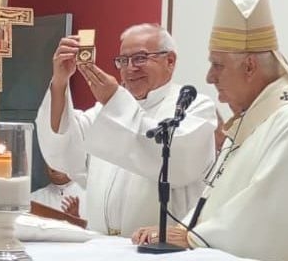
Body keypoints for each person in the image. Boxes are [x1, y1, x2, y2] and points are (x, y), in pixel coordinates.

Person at [132, 0, 288, 261]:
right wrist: (178, 229)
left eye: (217, 65)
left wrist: (192, 237)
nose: (209, 77)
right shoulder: (252, 119)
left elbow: (269, 218)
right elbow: (216, 199)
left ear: (250, 66)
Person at [36, 23, 217, 236]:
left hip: (158, 248)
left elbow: (176, 161)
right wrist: (60, 81)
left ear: (170, 61)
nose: (130, 68)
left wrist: (115, 102)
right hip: (103, 245)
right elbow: (64, 146)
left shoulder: (192, 106)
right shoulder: (106, 111)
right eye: (123, 60)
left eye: (140, 58)